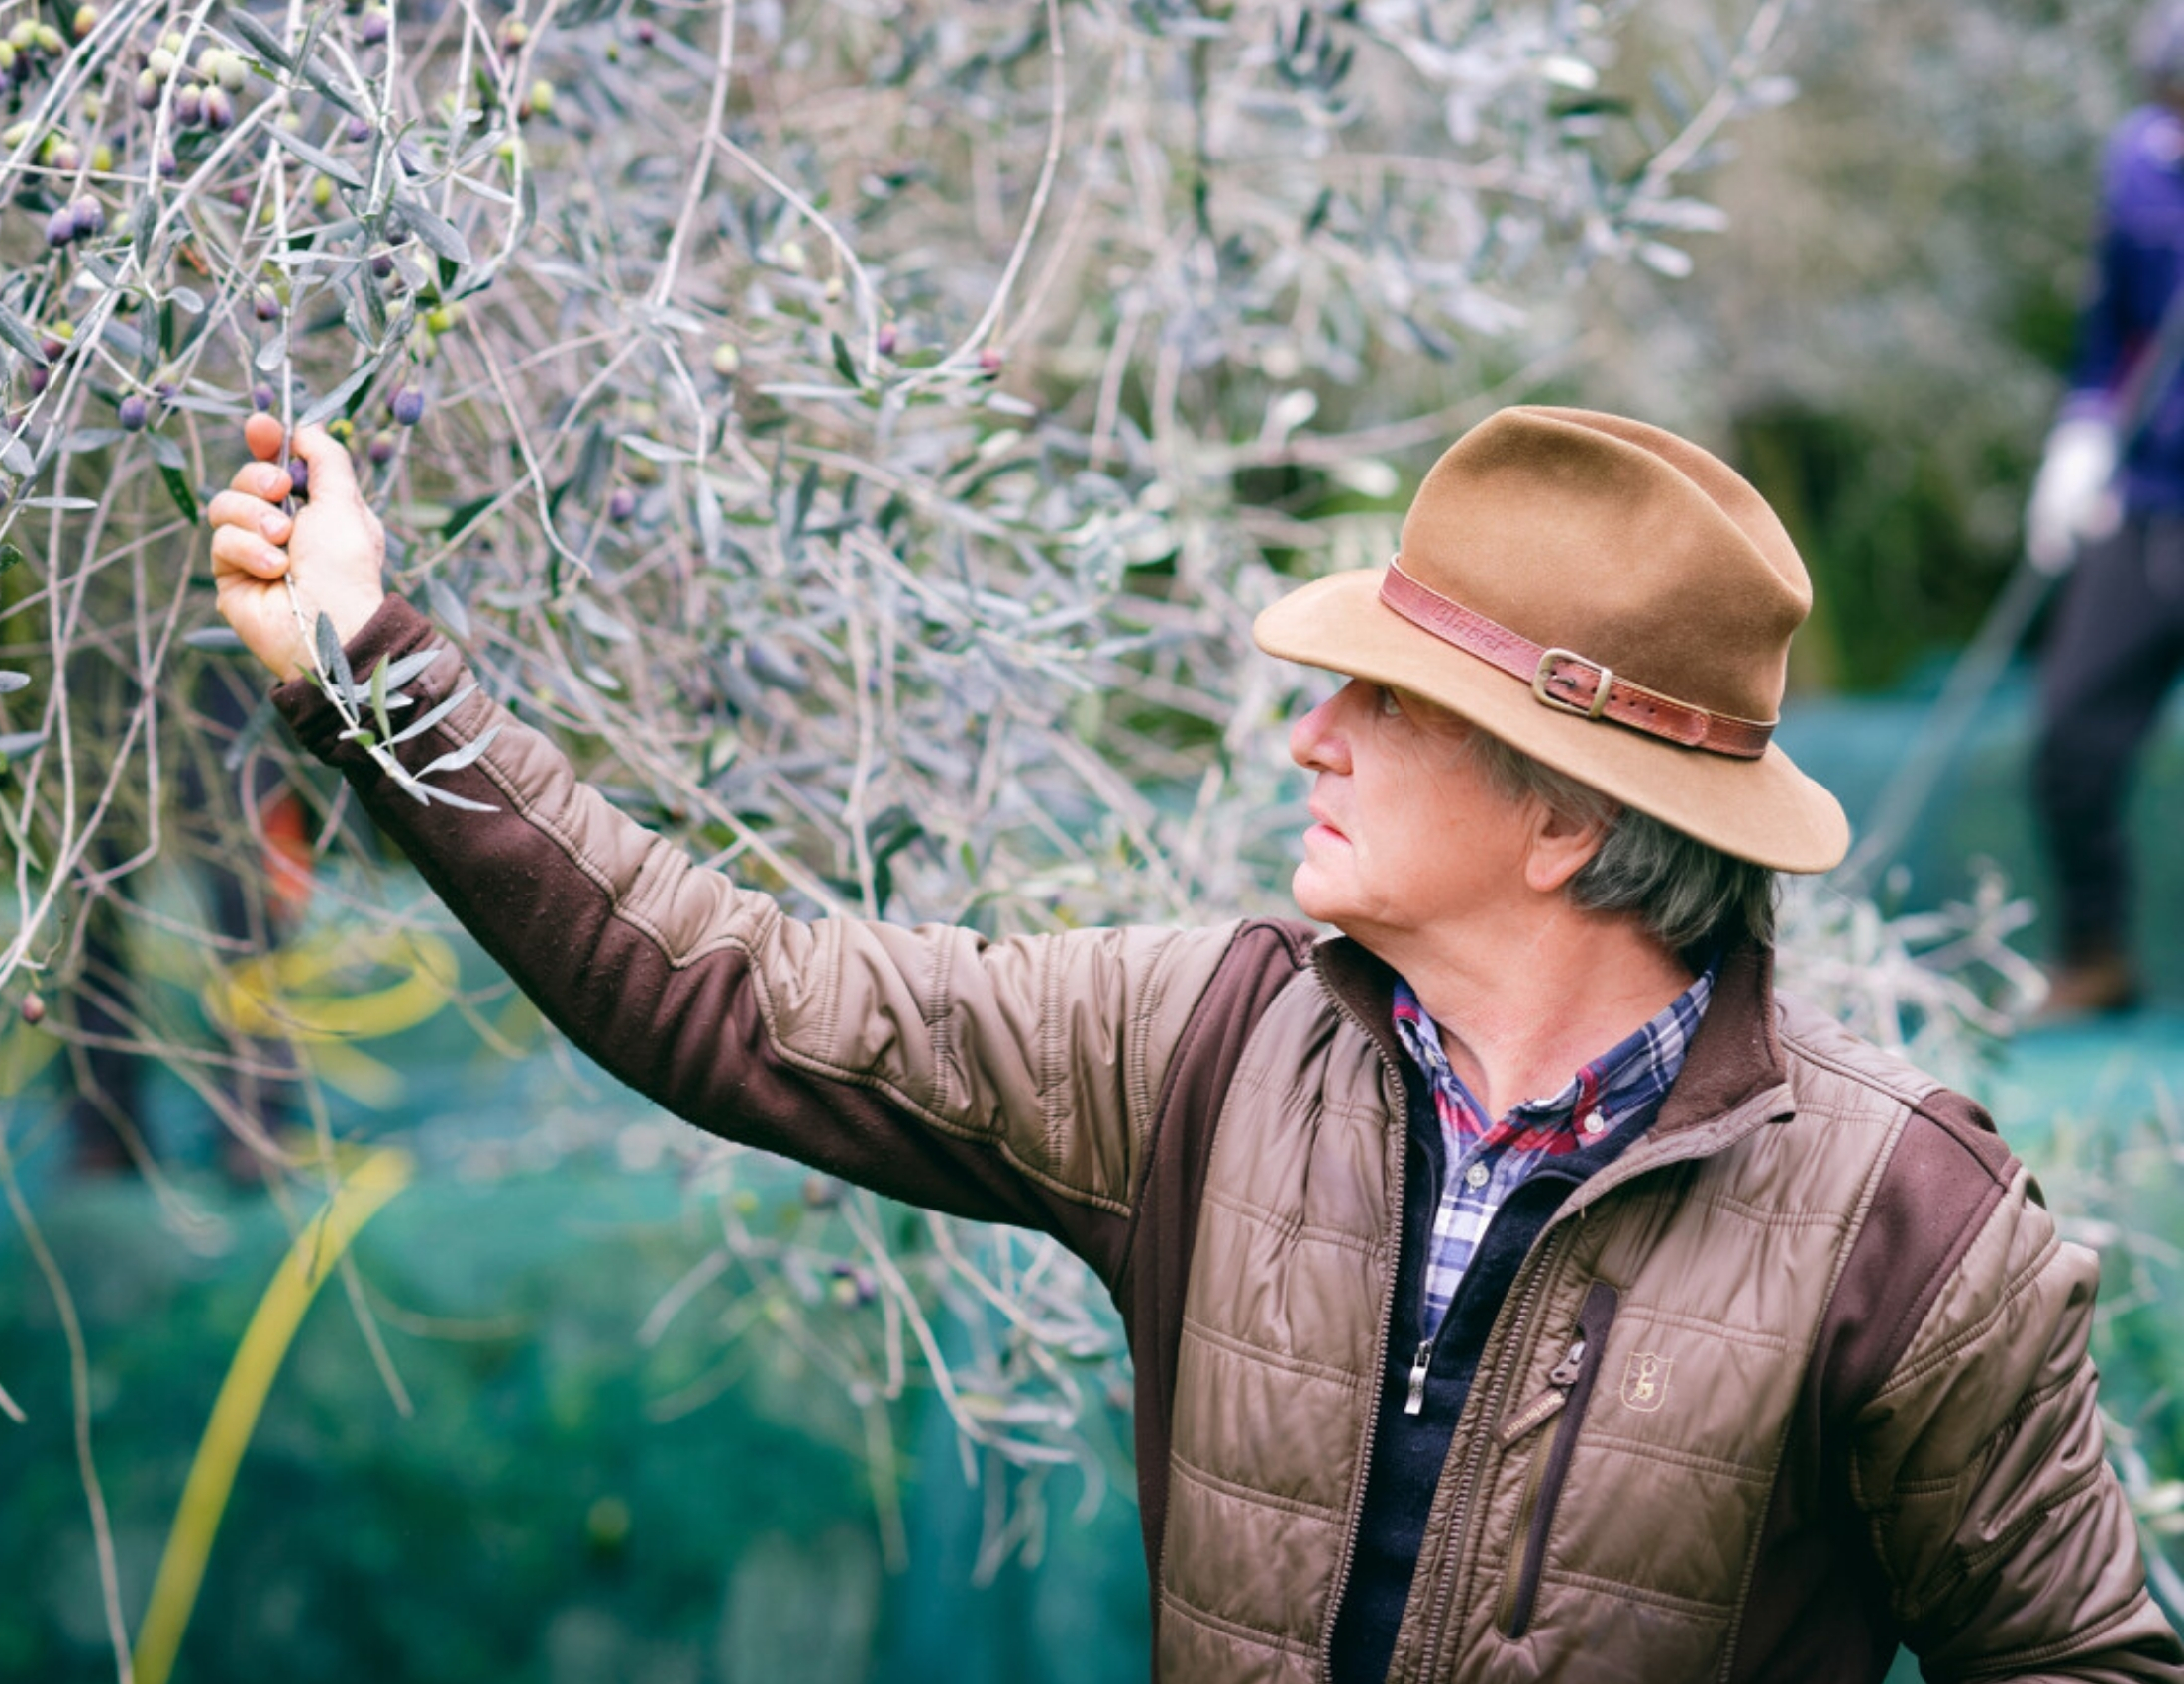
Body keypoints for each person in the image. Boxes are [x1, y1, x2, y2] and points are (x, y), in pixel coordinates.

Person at [206, 404, 2182, 1680]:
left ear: (1562, 818)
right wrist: (373, 676)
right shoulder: (1206, 1049)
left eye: (1381, 706)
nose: (1309, 732)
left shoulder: (1908, 1233)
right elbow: (722, 987)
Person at [2023, 0, 2184, 1017]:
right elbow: (2112, 333)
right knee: (2069, 739)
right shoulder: (2137, 164)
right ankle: (2098, 953)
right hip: (2147, 497)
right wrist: (2080, 439)